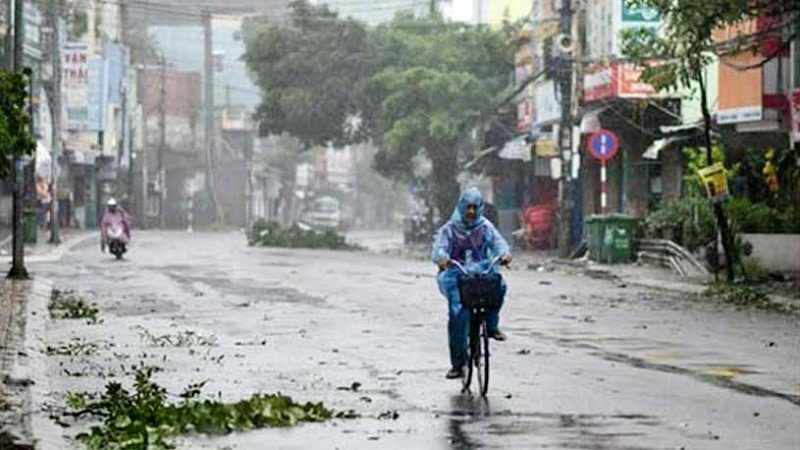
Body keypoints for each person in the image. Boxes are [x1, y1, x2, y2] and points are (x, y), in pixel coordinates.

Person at [431, 187, 512, 379]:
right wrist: (442, 258)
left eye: (475, 207)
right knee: (458, 313)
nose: (471, 212)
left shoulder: (485, 227)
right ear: (461, 206)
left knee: (499, 286)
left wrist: (505, 254)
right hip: (456, 275)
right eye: (468, 207)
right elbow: (438, 249)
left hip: (482, 272)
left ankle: (492, 326)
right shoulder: (450, 229)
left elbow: (499, 244)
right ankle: (458, 364)